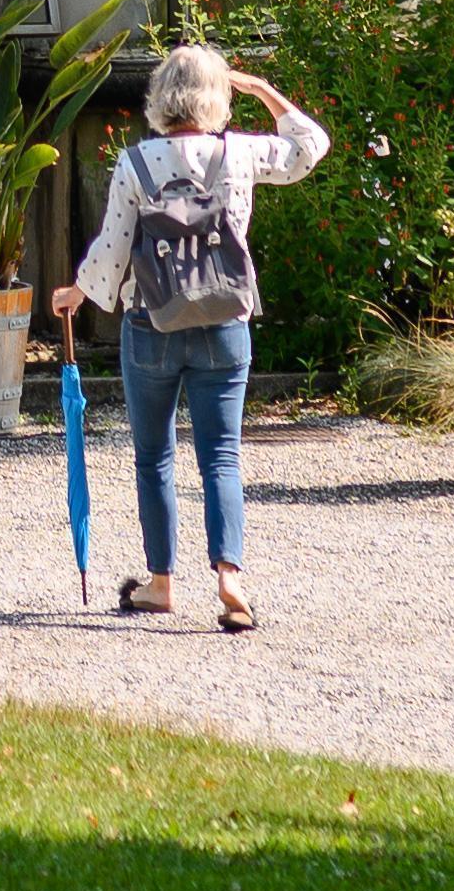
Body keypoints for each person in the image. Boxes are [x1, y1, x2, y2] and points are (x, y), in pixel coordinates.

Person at [45, 43, 328, 629]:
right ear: (216, 97)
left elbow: (114, 246)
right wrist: (261, 91)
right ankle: (230, 579)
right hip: (224, 321)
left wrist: (78, 291)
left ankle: (161, 583)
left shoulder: (137, 163)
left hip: (153, 322)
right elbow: (309, 148)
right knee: (221, 455)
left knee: (154, 457)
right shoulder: (241, 154)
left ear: (159, 97)